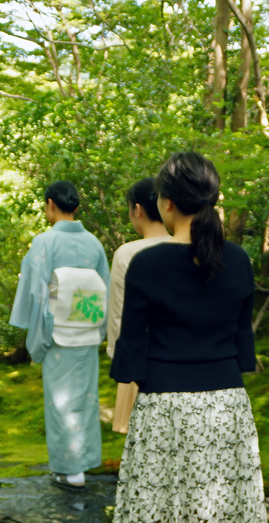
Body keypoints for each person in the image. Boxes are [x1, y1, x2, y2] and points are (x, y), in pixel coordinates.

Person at [109, 151, 266, 523]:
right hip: (224, 403)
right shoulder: (239, 260)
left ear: (167, 203)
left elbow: (130, 350)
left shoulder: (146, 262)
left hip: (164, 406)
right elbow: (243, 343)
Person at [9, 180, 111, 492]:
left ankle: (69, 471)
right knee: (85, 400)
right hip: (87, 333)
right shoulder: (93, 243)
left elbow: (37, 295)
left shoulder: (45, 242)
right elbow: (103, 292)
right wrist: (99, 330)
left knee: (60, 403)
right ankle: (83, 463)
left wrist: (36, 338)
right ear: (76, 207)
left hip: (57, 335)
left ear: (51, 204)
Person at [107, 178, 172, 433]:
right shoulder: (186, 246)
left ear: (137, 209)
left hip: (139, 357)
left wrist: (116, 354)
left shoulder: (127, 252)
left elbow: (118, 314)